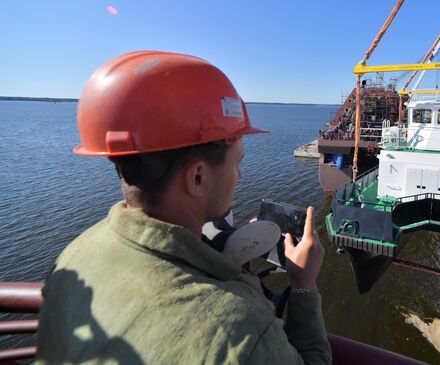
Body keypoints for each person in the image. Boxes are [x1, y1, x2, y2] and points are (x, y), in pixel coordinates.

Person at [36, 51, 332, 364]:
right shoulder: (237, 329)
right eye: (238, 162)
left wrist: (212, 256)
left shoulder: (73, 257)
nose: (240, 175)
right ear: (198, 176)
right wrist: (303, 284)